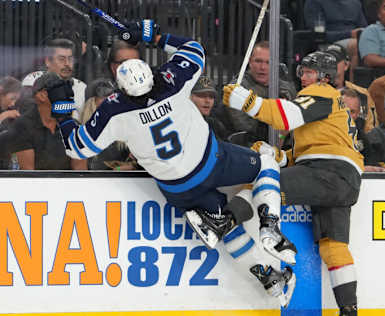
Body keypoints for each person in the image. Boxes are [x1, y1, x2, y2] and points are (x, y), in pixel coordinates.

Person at [51, 27, 297, 306]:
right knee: (265, 161)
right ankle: (269, 225)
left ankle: (269, 277)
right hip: (212, 163)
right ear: (149, 71)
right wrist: (151, 35)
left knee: (227, 230)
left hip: (179, 190)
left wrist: (62, 110)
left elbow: (75, 146)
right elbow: (195, 49)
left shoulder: (113, 109)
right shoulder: (171, 80)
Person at [224, 51, 364, 316]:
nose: (303, 78)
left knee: (266, 185)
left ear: (324, 76)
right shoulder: (328, 106)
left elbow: (284, 116)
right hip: (341, 177)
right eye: (302, 72)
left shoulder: (322, 92)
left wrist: (246, 100)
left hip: (329, 171)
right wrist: (276, 155)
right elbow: (306, 153)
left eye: (309, 72)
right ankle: (349, 310)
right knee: (333, 247)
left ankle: (225, 220)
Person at [4, 72, 87, 170]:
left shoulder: (74, 127)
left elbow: (80, 173)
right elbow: (28, 174)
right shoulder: (22, 126)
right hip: (35, 184)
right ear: (42, 95)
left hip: (67, 184)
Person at [225, 41, 297, 146]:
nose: (262, 67)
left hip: (285, 150)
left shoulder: (287, 88)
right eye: (258, 61)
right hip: (248, 148)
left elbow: (294, 129)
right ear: (250, 62)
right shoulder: (237, 89)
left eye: (268, 62)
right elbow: (244, 128)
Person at [80, 78, 137, 171]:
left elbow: (139, 165)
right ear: (90, 106)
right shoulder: (82, 137)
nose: (109, 108)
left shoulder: (128, 132)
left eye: (113, 102)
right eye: (102, 107)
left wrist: (125, 168)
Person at [303, 0, 367, 81]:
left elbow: (364, 29)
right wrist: (349, 34)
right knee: (356, 45)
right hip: (329, 43)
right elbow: (319, 35)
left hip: (355, 39)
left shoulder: (355, 2)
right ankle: (354, 89)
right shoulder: (315, 2)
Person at [325, 43, 378, 132]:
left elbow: (371, 130)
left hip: (357, 143)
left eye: (335, 61)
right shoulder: (314, 93)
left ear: (346, 65)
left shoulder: (362, 94)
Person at [44, 38, 87, 122]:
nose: (67, 63)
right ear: (48, 61)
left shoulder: (82, 88)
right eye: (61, 59)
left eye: (70, 59)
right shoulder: (34, 83)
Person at [190, 76, 229, 141]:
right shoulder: (182, 124)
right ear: (190, 97)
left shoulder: (214, 125)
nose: (207, 101)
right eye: (202, 96)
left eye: (211, 97)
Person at [0, 76, 22, 169]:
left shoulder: (8, 110)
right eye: (12, 98)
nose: (13, 103)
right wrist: (5, 115)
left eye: (16, 100)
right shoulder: (6, 113)